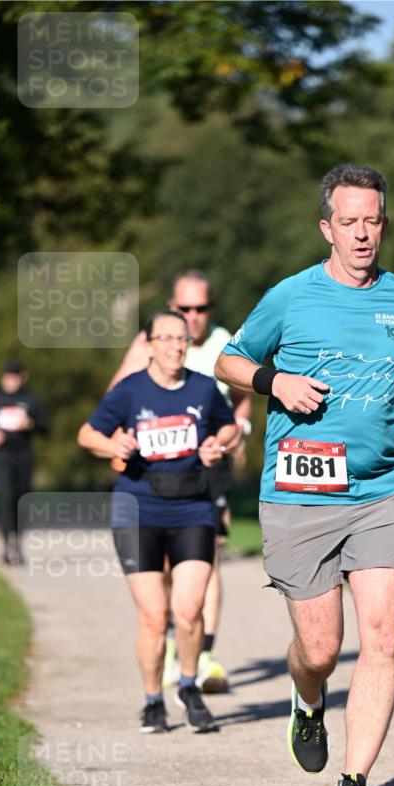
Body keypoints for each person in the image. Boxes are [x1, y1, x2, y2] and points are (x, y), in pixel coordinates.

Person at [215, 164, 394, 786]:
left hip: (381, 489)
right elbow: (227, 360)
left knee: (383, 633)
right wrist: (274, 382)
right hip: (297, 493)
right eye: (347, 222)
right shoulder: (290, 296)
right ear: (326, 227)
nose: (360, 233)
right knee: (320, 650)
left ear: (384, 223)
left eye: (371, 220)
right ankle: (307, 698)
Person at [78, 310, 241, 734]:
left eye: (182, 339)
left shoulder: (204, 388)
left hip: (192, 509)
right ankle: (152, 701)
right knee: (154, 617)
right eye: (165, 338)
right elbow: (87, 434)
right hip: (138, 511)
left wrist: (216, 445)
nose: (175, 346)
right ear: (149, 344)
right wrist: (113, 442)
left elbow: (230, 431)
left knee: (187, 613)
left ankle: (188, 687)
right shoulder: (129, 392)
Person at [108, 270, 252, 695]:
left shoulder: (228, 340)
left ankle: (203, 650)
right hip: (156, 466)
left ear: (211, 308)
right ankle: (171, 638)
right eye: (184, 308)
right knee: (166, 566)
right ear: (172, 307)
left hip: (210, 460)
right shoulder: (148, 342)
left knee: (208, 557)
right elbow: (116, 394)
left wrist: (237, 430)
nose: (193, 317)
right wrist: (120, 439)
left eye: (201, 308)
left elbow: (243, 394)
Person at [0, 360, 48, 565]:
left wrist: (29, 424)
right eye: (7, 376)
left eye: (15, 377)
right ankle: (6, 546)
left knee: (21, 499)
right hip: (2, 456)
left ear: (22, 377)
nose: (11, 381)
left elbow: (45, 427)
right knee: (5, 497)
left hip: (24, 456)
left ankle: (18, 545)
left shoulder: (32, 399)